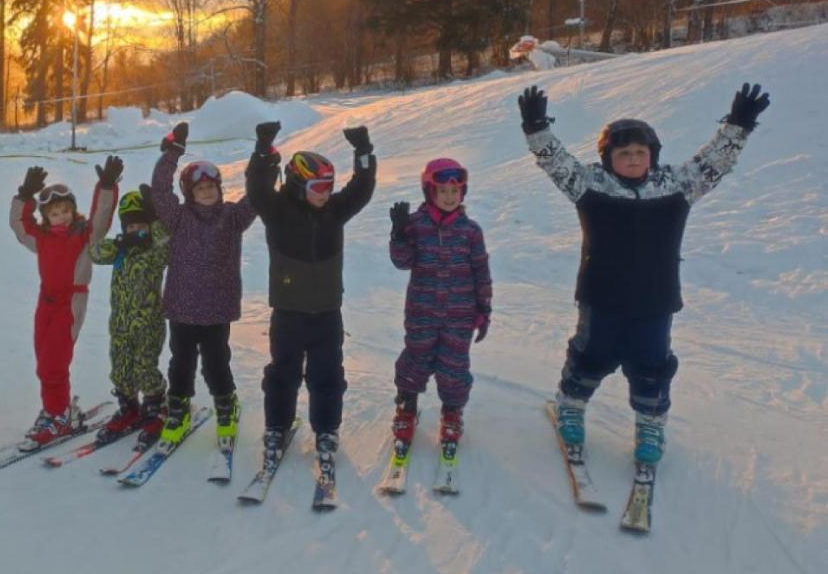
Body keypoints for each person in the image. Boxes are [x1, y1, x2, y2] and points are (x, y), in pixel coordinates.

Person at [519, 81, 771, 464]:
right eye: (624, 153)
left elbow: (713, 162)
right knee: (589, 354)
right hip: (600, 295)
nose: (634, 159)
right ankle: (571, 403)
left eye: (641, 152)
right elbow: (556, 162)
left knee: (652, 364)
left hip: (656, 299)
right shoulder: (590, 185)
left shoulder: (677, 186)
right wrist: (536, 128)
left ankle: (650, 423)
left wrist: (738, 126)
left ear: (653, 155)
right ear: (608, 158)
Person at [246, 122, 376, 470]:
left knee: (327, 375)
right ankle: (277, 426)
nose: (325, 192)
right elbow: (258, 189)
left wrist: (363, 152)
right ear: (299, 183)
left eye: (329, 186)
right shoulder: (278, 212)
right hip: (288, 313)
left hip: (327, 314)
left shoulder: (334, 211)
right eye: (319, 186)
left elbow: (362, 189)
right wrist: (263, 151)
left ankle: (326, 429)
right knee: (282, 374)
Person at [149, 121, 258, 446]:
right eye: (200, 188)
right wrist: (172, 152)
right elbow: (159, 191)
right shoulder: (178, 217)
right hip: (182, 307)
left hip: (216, 309)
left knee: (216, 363)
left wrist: (263, 160)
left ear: (220, 189)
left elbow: (257, 197)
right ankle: (178, 409)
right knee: (180, 363)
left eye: (212, 186)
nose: (207, 192)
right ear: (190, 193)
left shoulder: (232, 217)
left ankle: (227, 406)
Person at [9, 158, 120, 450]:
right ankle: (55, 409)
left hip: (71, 301)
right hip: (45, 301)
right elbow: (21, 226)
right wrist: (24, 196)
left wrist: (106, 186)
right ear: (47, 217)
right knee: (44, 359)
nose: (62, 217)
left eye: (66, 210)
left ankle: (59, 417)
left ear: (73, 210)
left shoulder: (84, 235)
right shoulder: (42, 238)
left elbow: (101, 217)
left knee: (53, 362)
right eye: (55, 213)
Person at [388, 158, 493, 453]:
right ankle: (406, 406)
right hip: (422, 311)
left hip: (460, 315)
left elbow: (481, 271)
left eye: (455, 191)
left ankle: (451, 412)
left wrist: (483, 309)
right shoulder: (416, 225)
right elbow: (402, 262)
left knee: (454, 365)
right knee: (416, 358)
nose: (449, 197)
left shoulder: (470, 231)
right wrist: (398, 234)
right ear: (429, 192)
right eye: (442, 191)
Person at [87, 187, 170, 444]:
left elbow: (166, 241)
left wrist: (155, 220)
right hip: (120, 325)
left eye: (141, 225)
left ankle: (157, 405)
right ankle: (129, 406)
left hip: (148, 324)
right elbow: (95, 252)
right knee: (121, 368)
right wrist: (122, 242)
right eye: (130, 227)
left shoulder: (155, 252)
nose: (136, 231)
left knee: (145, 367)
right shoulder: (120, 251)